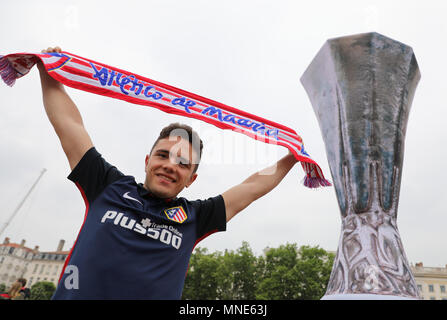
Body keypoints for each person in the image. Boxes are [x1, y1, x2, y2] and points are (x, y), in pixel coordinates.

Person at [37, 47, 298, 299]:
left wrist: (294, 157)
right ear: (148, 161)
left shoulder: (197, 217)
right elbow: (69, 125)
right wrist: (48, 71)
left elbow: (251, 188)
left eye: (183, 163)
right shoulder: (107, 185)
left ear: (191, 180)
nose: (171, 165)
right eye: (163, 155)